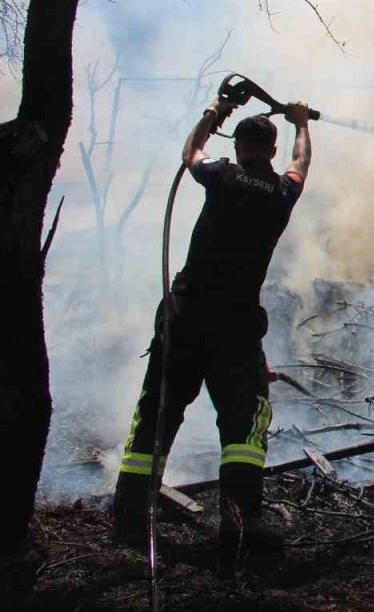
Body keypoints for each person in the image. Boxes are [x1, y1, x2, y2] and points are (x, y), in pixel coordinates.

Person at [112, 94, 312, 571]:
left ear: (239, 145)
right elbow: (301, 161)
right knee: (244, 429)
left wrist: (215, 110)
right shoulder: (282, 193)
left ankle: (129, 519)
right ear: (272, 146)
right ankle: (239, 528)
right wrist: (303, 123)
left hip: (186, 317)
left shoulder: (221, 175)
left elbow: (191, 154)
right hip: (237, 326)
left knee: (158, 412)